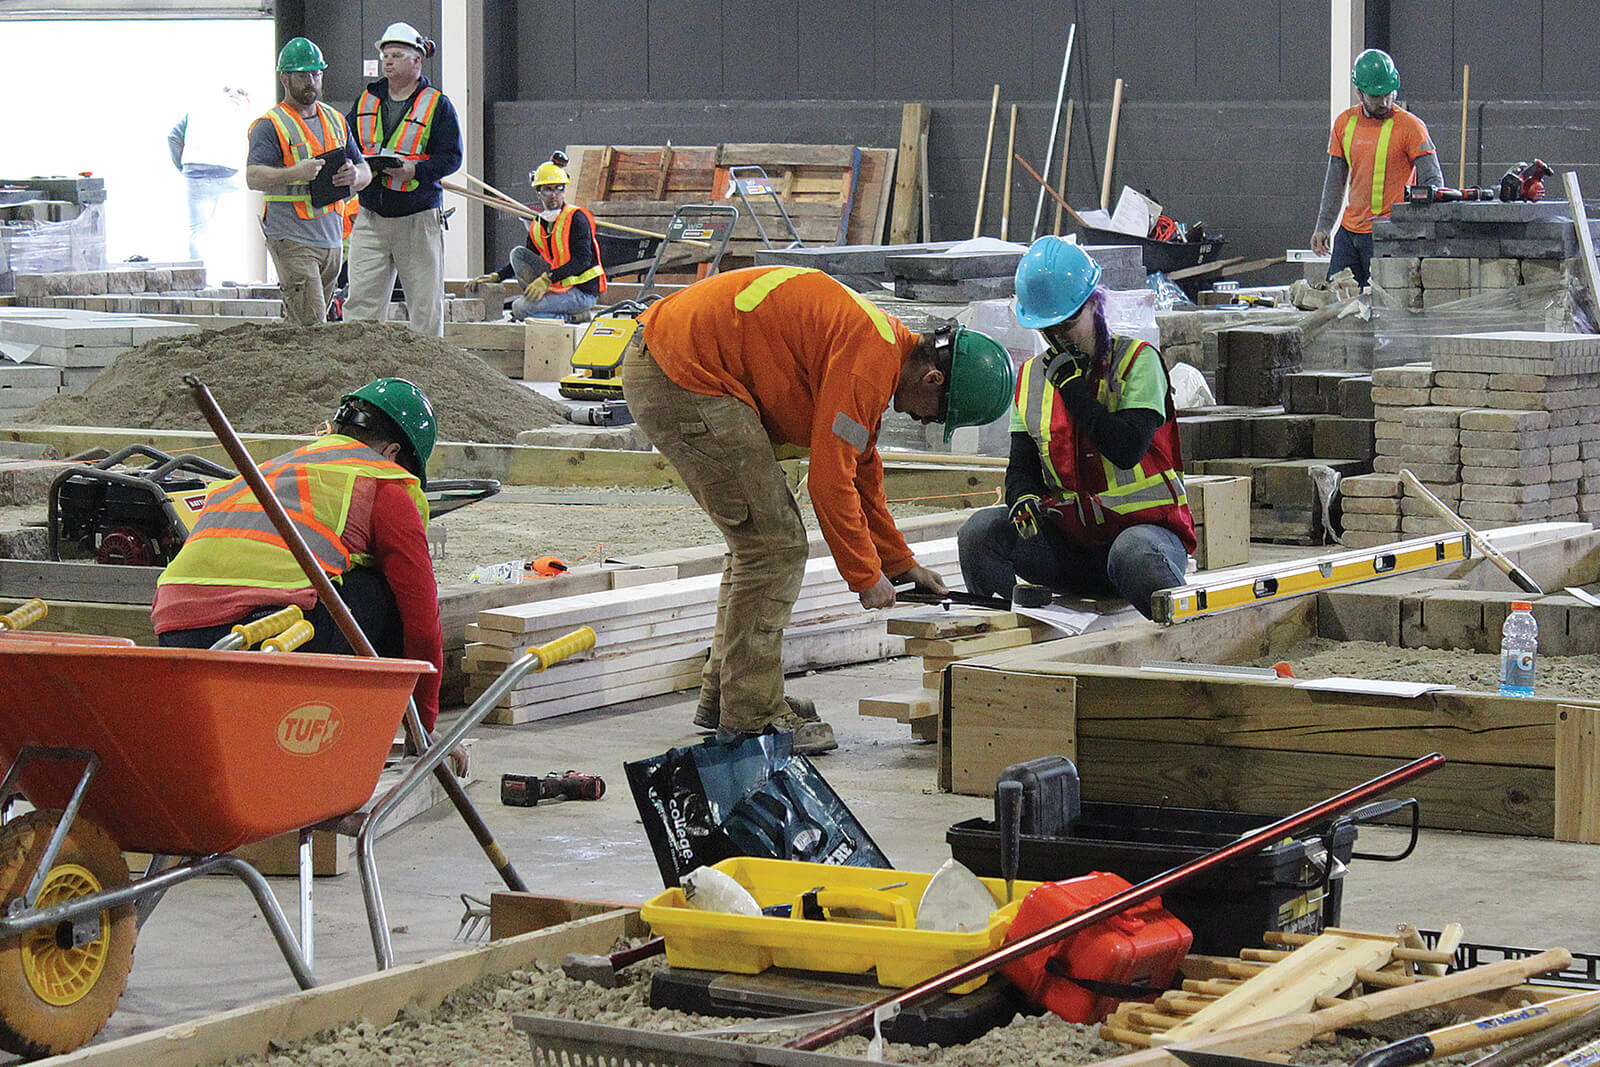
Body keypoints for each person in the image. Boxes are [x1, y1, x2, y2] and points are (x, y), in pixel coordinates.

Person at [622, 266, 1014, 754]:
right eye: (936, 414)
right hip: (683, 374)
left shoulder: (881, 348)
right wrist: (865, 578)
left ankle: (729, 694)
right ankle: (752, 717)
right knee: (773, 546)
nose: (922, 419)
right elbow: (830, 483)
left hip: (676, 361)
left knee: (757, 542)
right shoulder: (868, 362)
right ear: (934, 379)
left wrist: (900, 565)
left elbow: (860, 469)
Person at [152, 379, 445, 732]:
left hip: (176, 635)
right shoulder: (382, 482)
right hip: (270, 638)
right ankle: (352, 727)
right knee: (385, 594)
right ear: (393, 453)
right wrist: (425, 730)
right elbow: (423, 623)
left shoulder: (271, 470)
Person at [957, 237, 1194, 620]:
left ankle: (1181, 637)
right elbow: (1021, 468)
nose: (1058, 338)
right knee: (980, 532)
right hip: (1072, 550)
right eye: (1048, 329)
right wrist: (1022, 497)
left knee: (1132, 553)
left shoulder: (1138, 363)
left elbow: (1126, 447)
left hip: (1144, 540)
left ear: (1095, 304)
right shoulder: (1033, 378)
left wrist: (1073, 390)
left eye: (1067, 324)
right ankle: (996, 643)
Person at [343, 21, 463, 337]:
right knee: (360, 308)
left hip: (417, 219)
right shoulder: (366, 101)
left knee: (425, 307)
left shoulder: (437, 105)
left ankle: (426, 376)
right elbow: (347, 144)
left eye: (397, 54)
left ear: (417, 60)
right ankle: (360, 372)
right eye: (386, 55)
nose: (389, 61)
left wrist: (415, 171)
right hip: (371, 216)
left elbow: (452, 157)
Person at [245, 38, 370, 328]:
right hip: (292, 238)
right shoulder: (271, 125)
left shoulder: (336, 120)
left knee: (305, 325)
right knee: (312, 325)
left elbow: (364, 170)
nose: (310, 82)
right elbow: (254, 177)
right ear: (285, 78)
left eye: (316, 74)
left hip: (331, 239)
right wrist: (294, 172)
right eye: (302, 75)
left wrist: (356, 176)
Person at [1311, 48, 1442, 288]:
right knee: (1335, 303)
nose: (1384, 102)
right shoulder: (1344, 124)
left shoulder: (1411, 127)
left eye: (1388, 94)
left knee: (1385, 306)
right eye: (1375, 96)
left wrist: (1420, 230)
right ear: (1359, 92)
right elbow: (1335, 181)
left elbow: (1434, 183)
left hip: (1389, 234)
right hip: (1349, 234)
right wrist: (1324, 226)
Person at [469, 152, 606, 321]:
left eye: (559, 188)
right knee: (517, 254)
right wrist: (498, 276)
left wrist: (547, 279)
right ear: (538, 193)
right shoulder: (538, 224)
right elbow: (526, 257)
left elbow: (583, 259)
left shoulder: (577, 218)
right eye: (548, 189)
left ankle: (575, 317)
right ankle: (539, 301)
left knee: (519, 308)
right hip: (558, 285)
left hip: (582, 293)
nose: (554, 194)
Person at [168, 86, 252, 263]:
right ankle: (229, 274)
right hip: (229, 172)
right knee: (228, 229)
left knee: (198, 229)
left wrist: (183, 167)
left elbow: (173, 137)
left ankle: (198, 275)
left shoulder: (199, 107)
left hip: (196, 171)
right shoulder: (243, 109)